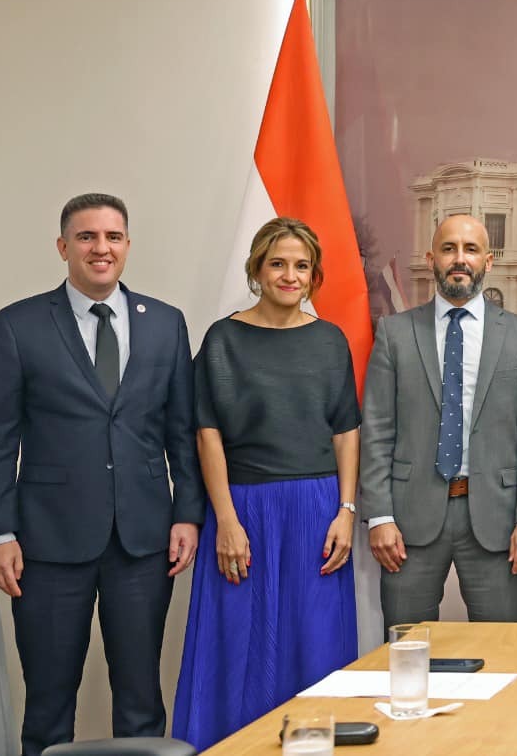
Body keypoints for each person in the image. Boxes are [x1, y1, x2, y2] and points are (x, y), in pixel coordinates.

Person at [0, 193, 203, 756]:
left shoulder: (166, 324)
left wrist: (187, 516)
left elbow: (182, 432)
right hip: (46, 544)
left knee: (142, 700)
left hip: (144, 540)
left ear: (127, 246)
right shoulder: (17, 325)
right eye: (87, 237)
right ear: (63, 247)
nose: (102, 248)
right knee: (49, 704)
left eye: (113, 237)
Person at [171, 218, 360, 749]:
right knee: (237, 643)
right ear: (257, 268)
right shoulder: (222, 339)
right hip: (243, 511)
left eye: (301, 265)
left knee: (314, 638)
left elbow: (346, 431)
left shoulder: (329, 340)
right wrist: (224, 521)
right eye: (278, 263)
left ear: (314, 274)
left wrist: (346, 510)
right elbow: (207, 435)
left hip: (317, 509)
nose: (290, 275)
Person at [359, 213, 517, 626]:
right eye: (448, 249)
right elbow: (376, 430)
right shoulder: (394, 332)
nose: (459, 259)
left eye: (470, 249)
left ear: (489, 261)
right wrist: (380, 516)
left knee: (502, 651)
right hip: (408, 521)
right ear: (431, 258)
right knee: (406, 648)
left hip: (496, 520)